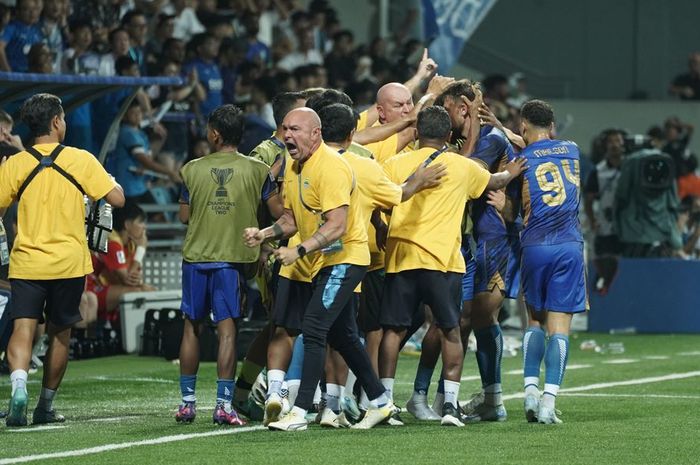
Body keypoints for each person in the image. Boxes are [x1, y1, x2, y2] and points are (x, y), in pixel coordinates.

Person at [243, 108, 395, 432]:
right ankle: (381, 403)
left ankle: (299, 412)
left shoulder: (332, 167)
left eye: (295, 129)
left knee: (313, 329)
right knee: (344, 336)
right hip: (323, 260)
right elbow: (290, 219)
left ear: (316, 133)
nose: (287, 135)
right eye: (285, 129)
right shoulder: (295, 167)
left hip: (346, 258)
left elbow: (337, 226)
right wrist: (264, 234)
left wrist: (297, 250)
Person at [377, 105, 525, 427]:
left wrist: (381, 231)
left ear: (417, 133)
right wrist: (512, 172)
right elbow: (494, 181)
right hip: (444, 260)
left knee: (393, 330)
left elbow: (379, 202)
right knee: (451, 330)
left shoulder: (393, 164)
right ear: (447, 136)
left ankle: (384, 403)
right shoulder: (460, 166)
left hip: (401, 257)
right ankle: (450, 408)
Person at [1, 93, 125, 427]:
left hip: (27, 261)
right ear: (56, 122)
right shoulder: (81, 159)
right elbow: (117, 198)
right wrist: (106, 179)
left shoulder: (16, 163)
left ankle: (17, 388)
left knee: (23, 327)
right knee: (59, 334)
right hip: (69, 263)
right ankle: (45, 406)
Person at [175, 104, 281, 427]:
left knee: (191, 328)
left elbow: (183, 216)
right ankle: (223, 405)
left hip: (195, 259)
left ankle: (187, 404)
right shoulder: (257, 171)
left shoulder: (191, 169)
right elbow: (277, 212)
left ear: (214, 133)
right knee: (227, 333)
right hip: (231, 263)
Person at [518, 99, 585, 424]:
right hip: (568, 246)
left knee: (534, 321)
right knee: (560, 329)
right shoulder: (571, 148)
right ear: (554, 127)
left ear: (523, 127)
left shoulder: (520, 158)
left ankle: (529, 391)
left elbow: (525, 148)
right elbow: (540, 144)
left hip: (534, 246)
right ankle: (548, 402)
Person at [85, 201, 154, 327]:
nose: (144, 227)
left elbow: (135, 277)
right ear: (127, 224)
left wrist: (142, 284)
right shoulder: (112, 242)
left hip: (105, 288)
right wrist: (142, 249)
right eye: (140, 222)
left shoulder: (130, 244)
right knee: (137, 294)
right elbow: (128, 280)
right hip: (90, 289)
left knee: (150, 291)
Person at [584, 129, 625, 290]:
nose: (615, 145)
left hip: (627, 226)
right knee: (606, 260)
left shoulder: (631, 167)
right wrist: (593, 221)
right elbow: (589, 199)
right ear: (605, 146)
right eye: (611, 141)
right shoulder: (598, 171)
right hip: (606, 226)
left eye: (618, 141)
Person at [0, 0, 43, 72]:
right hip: (16, 77)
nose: (32, 12)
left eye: (34, 9)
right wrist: (8, 72)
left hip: (33, 77)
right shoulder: (12, 28)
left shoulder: (37, 31)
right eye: (26, 9)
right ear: (18, 12)